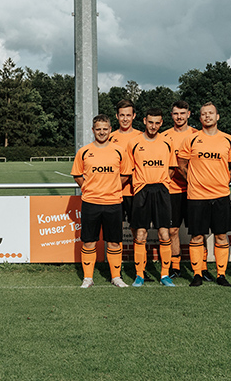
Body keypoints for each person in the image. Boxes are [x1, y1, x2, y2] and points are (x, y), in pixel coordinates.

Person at [176, 102, 231, 287]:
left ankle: (221, 275)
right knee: (196, 236)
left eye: (211, 113)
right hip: (197, 196)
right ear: (200, 117)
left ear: (217, 116)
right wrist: (193, 180)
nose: (207, 116)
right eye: (204, 114)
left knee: (221, 236)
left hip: (220, 195)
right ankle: (197, 274)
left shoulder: (228, 139)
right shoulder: (191, 140)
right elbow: (181, 164)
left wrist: (223, 181)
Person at [72, 114, 131, 288]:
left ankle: (116, 277)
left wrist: (112, 186)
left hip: (113, 202)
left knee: (114, 241)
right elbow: (77, 174)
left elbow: (126, 174)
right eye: (98, 129)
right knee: (89, 241)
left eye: (105, 129)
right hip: (91, 202)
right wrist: (88, 187)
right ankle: (88, 278)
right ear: (93, 130)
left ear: (110, 129)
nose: (102, 132)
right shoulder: (84, 151)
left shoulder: (119, 150)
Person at [128, 109, 176, 287]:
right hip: (141, 191)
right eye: (150, 122)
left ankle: (164, 275)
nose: (153, 126)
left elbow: (172, 167)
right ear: (144, 121)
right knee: (140, 234)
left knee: (164, 233)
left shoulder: (167, 142)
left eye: (157, 123)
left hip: (162, 191)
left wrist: (162, 183)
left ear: (161, 123)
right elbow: (129, 168)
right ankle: (139, 275)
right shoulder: (133, 143)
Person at [162, 101, 200, 279]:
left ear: (189, 114)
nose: (179, 117)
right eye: (176, 113)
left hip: (195, 190)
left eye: (182, 113)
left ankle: (201, 268)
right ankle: (175, 267)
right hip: (172, 189)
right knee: (173, 230)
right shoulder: (164, 136)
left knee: (197, 230)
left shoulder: (197, 135)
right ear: (171, 115)